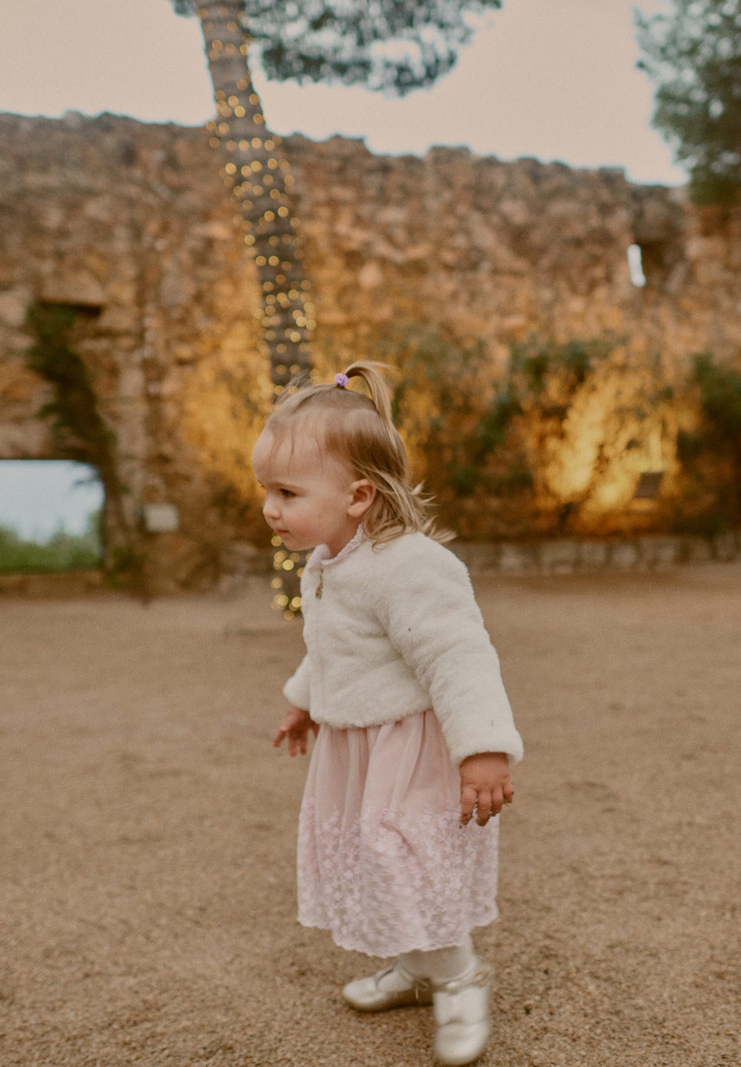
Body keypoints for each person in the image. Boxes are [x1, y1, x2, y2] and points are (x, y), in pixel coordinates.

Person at [255, 362, 523, 1066]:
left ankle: (460, 973)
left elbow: (459, 655)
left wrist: (484, 748)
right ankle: (415, 968)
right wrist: (303, 699)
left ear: (358, 495)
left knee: (408, 856)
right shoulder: (327, 560)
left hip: (409, 744)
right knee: (377, 861)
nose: (270, 508)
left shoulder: (410, 565)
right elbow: (332, 646)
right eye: (267, 492)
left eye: (286, 491)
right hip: (355, 744)